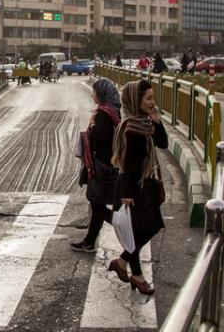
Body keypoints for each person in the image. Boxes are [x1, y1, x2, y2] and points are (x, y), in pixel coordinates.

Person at [108, 79, 167, 295]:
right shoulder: (132, 128)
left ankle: (122, 263)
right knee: (138, 231)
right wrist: (126, 194)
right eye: (148, 98)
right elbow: (130, 164)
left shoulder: (146, 123)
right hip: (132, 188)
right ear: (136, 100)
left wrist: (157, 121)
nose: (153, 102)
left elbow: (163, 144)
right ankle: (137, 276)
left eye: (153, 97)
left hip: (145, 185)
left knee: (150, 227)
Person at [71, 79, 121, 252]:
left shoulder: (103, 114)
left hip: (101, 166)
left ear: (102, 94)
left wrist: (92, 124)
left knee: (97, 205)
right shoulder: (114, 112)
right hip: (109, 164)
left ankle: (127, 228)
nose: (92, 95)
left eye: (95, 92)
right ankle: (90, 241)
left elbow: (98, 139)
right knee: (97, 205)